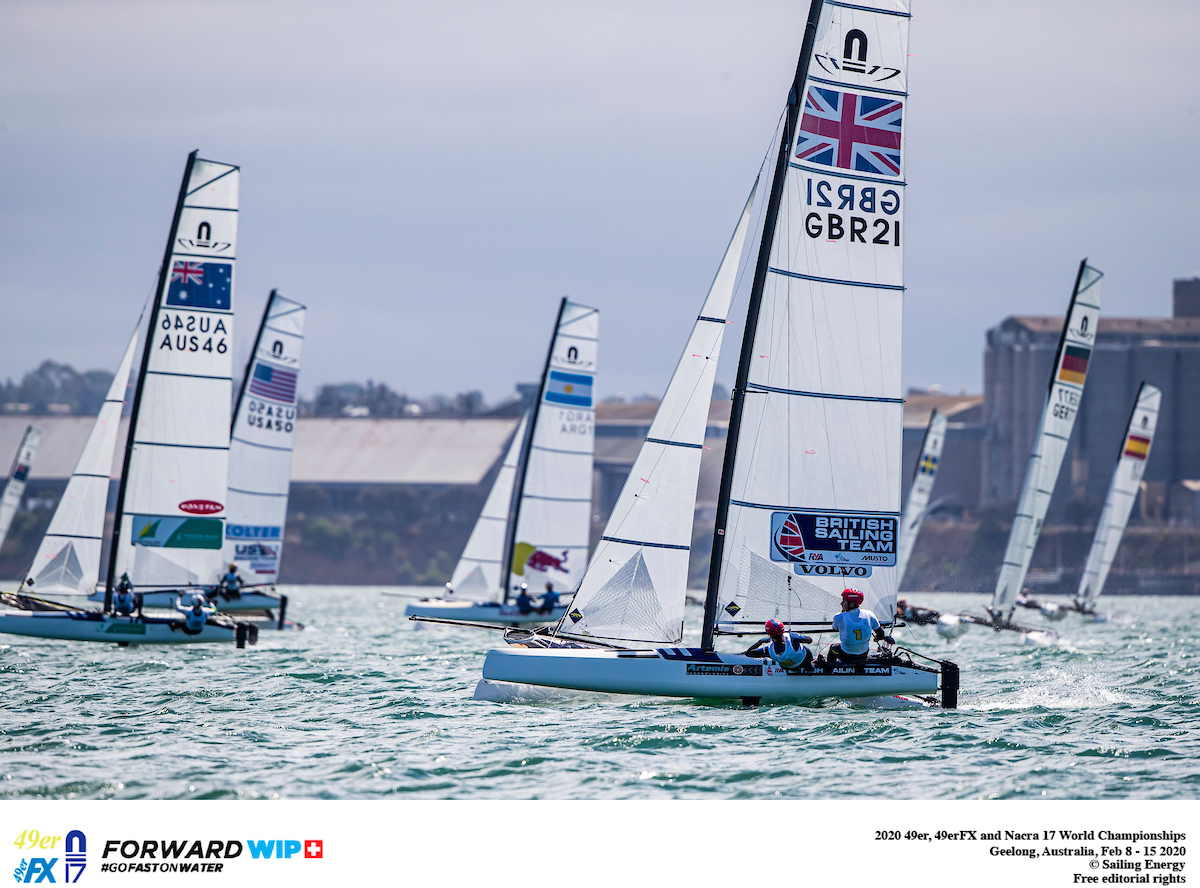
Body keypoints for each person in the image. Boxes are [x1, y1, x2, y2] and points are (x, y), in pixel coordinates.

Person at [823, 588, 892, 674]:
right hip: (863, 655)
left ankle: (828, 670)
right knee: (862, 651)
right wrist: (877, 638)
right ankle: (859, 669)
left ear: (851, 604)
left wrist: (843, 613)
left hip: (846, 655)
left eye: (844, 601)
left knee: (833, 648)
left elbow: (835, 628)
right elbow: (881, 634)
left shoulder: (839, 617)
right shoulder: (869, 614)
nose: (841, 603)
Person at [746, 619, 814, 672]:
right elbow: (809, 640)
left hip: (791, 667)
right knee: (805, 650)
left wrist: (760, 641)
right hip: (804, 660)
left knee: (783, 662)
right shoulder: (792, 636)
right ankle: (809, 666)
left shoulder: (769, 650)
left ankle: (795, 670)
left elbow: (749, 653)